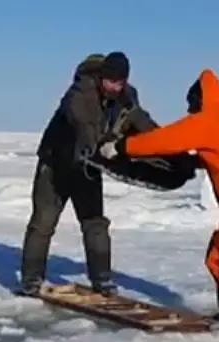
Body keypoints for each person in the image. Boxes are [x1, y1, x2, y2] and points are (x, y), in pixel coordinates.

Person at [100, 69, 219, 342]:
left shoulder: (209, 120)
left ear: (200, 99)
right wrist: (193, 161)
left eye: (191, 104)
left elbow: (164, 140)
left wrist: (122, 147)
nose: (189, 110)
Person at [19, 51, 157, 296]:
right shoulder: (81, 93)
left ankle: (102, 279)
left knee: (95, 224)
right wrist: (97, 147)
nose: (114, 87)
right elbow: (83, 123)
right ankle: (31, 278)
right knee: (43, 223)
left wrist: (169, 148)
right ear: (102, 76)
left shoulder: (127, 99)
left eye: (120, 82)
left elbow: (144, 125)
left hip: (88, 169)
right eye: (110, 81)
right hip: (55, 166)